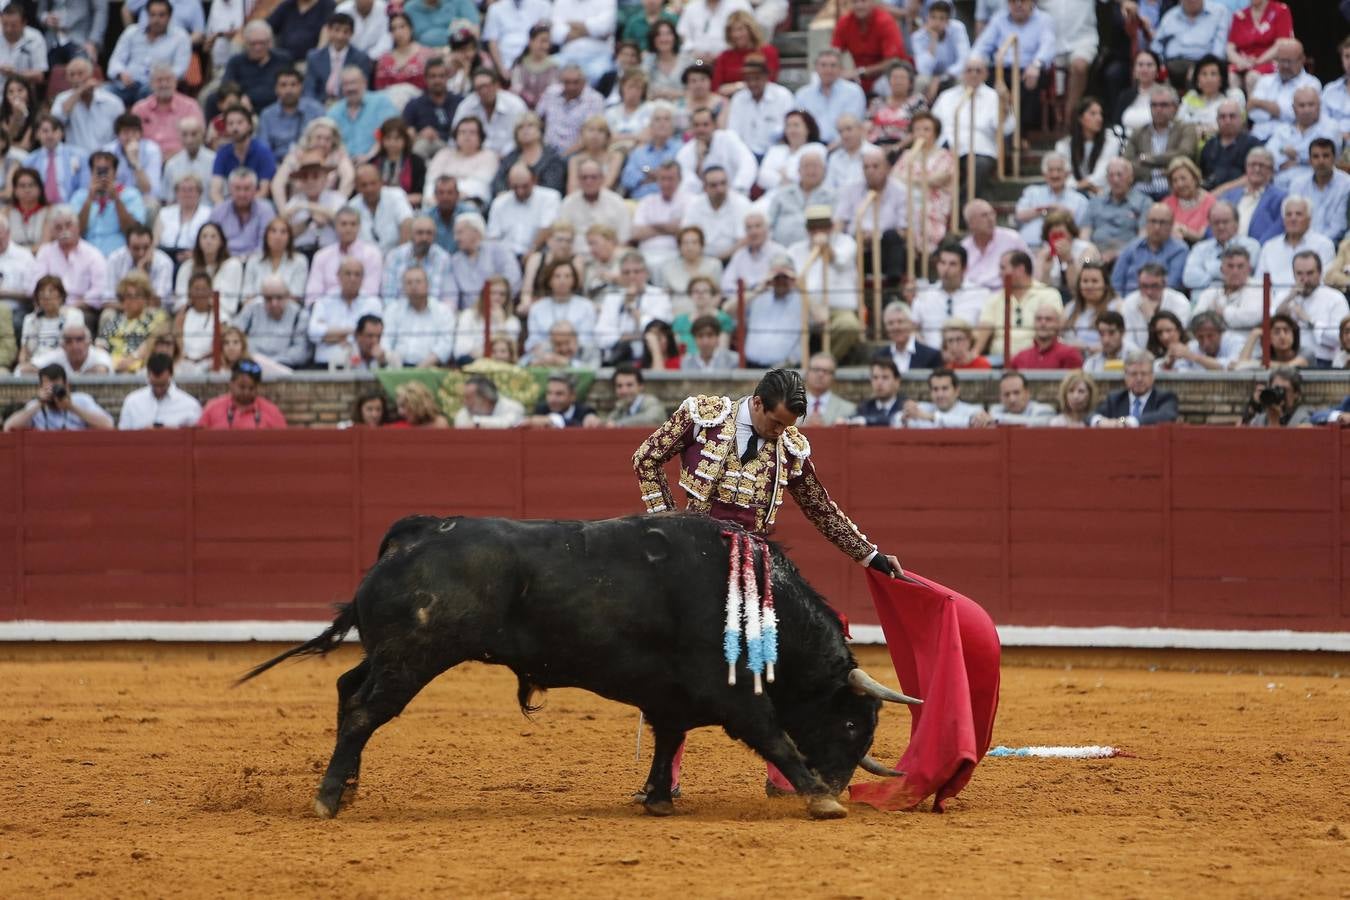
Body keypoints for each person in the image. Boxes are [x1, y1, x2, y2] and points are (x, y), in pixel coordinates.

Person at [788, 205, 863, 362]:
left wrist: (825, 247)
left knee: (848, 326)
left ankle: (823, 365)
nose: (818, 231)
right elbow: (792, 281)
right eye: (813, 227)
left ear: (831, 226)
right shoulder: (795, 250)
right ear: (807, 229)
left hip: (838, 309)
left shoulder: (846, 242)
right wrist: (812, 307)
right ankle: (792, 364)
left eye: (823, 226)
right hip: (804, 308)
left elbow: (839, 261)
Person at [930, 58, 1011, 203]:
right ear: (962, 74)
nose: (973, 74)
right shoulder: (947, 96)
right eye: (969, 70)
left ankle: (960, 212)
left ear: (986, 74)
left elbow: (1005, 128)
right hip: (947, 146)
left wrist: (1004, 104)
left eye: (978, 71)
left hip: (979, 148)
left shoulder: (993, 97)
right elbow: (933, 123)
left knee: (978, 167)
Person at [970, 0, 1056, 131]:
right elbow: (982, 45)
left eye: (1022, 1)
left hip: (1030, 69)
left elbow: (1048, 46)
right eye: (1013, 1)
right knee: (984, 81)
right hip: (1002, 69)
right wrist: (975, 60)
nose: (1018, 5)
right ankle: (988, 129)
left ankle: (1020, 134)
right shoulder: (999, 18)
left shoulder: (1044, 19)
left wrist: (1036, 64)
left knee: (1028, 84)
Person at [832, 148, 907, 286]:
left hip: (885, 249)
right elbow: (839, 221)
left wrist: (876, 236)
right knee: (843, 244)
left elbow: (905, 230)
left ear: (888, 168)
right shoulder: (851, 189)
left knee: (893, 238)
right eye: (866, 167)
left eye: (875, 166)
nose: (870, 171)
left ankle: (892, 287)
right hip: (858, 248)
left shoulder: (900, 192)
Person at [974, 251, 1063, 358]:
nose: (999, 273)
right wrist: (974, 354)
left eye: (1003, 268)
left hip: (1038, 357)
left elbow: (1053, 329)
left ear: (1020, 269)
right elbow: (985, 328)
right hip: (999, 360)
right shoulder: (994, 299)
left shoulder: (1048, 294)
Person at [105, 0, 190, 106]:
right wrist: (121, 73)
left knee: (146, 92)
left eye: (161, 15)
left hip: (156, 86)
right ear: (147, 15)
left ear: (170, 16)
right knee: (103, 92)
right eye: (152, 14)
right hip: (126, 84)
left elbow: (180, 69)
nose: (156, 19)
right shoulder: (132, 32)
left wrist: (160, 79)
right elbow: (115, 60)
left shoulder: (180, 37)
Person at [596, 251, 673, 366]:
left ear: (646, 274)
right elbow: (600, 335)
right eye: (626, 273)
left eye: (637, 272)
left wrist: (631, 308)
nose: (631, 276)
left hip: (649, 357)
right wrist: (626, 338)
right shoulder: (612, 297)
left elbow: (656, 330)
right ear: (621, 275)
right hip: (618, 357)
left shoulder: (659, 295)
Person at [33, 205, 108, 322]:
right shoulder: (45, 252)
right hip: (49, 306)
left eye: (68, 225)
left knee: (75, 319)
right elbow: (36, 284)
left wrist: (75, 306)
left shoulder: (93, 254)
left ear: (77, 227)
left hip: (82, 308)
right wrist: (51, 304)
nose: (64, 231)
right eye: (58, 227)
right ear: (52, 232)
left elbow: (99, 290)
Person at [1275, 251, 1350, 367]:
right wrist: (1290, 297)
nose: (1304, 279)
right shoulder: (1284, 296)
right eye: (1299, 274)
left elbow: (1341, 339)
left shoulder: (1335, 298)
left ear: (1320, 273)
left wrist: (1310, 321)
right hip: (1286, 361)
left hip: (1322, 362)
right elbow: (1269, 328)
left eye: (1310, 273)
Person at [1123, 85, 1197, 201]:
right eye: (1154, 105)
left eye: (1164, 105)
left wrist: (1148, 159)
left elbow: (1185, 153)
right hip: (1142, 189)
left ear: (1176, 108)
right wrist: (1164, 162)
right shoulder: (1139, 132)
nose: (1158, 109)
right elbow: (1127, 163)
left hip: (1173, 189)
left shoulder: (1186, 129)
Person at [308, 257, 382, 366]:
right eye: (348, 273)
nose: (352, 278)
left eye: (357, 274)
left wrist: (329, 336)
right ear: (338, 276)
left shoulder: (372, 303)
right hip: (325, 363)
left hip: (359, 365)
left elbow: (376, 336)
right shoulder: (324, 300)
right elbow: (313, 333)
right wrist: (354, 332)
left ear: (363, 278)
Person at [2, 362, 113, 431]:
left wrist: (71, 407)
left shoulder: (81, 400)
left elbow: (108, 425)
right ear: (40, 388)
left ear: (66, 385)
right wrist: (39, 403)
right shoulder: (36, 406)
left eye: (56, 387)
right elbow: (9, 427)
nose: (53, 392)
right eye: (48, 388)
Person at [1246, 38, 1319, 142]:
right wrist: (1277, 110)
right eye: (1281, 60)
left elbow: (1293, 115)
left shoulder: (1311, 84)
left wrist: (1258, 103)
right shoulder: (1265, 80)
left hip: (1288, 141)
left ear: (1302, 60)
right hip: (1257, 137)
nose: (1285, 66)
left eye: (1289, 61)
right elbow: (1253, 113)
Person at [305, 206, 382, 302]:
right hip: (327, 310)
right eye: (344, 224)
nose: (348, 229)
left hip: (362, 309)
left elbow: (371, 292)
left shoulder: (372, 254)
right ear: (336, 226)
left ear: (359, 227)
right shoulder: (321, 256)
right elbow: (312, 295)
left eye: (353, 224)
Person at [674, 106, 756, 196]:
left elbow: (748, 163)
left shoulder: (728, 139)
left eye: (705, 125)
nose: (701, 129)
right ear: (691, 127)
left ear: (714, 125)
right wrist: (699, 161)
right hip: (702, 201)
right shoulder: (685, 152)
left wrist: (738, 189)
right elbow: (687, 184)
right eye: (696, 125)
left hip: (733, 194)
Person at [233, 276, 312, 369]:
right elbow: (234, 335)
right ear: (262, 296)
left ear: (288, 295)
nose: (274, 303)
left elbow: (300, 353)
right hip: (251, 365)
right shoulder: (251, 309)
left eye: (279, 298)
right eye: (268, 298)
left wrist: (269, 363)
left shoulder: (300, 315)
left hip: (286, 368)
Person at [831, 0, 907, 96]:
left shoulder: (885, 21)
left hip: (889, 75)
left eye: (864, 1)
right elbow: (833, 54)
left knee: (882, 85)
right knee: (825, 78)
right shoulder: (845, 21)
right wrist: (840, 71)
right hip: (859, 78)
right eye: (855, 2)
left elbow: (893, 61)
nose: (859, 5)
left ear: (873, 2)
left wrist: (860, 72)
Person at [1256, 197, 1334, 289]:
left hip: (1310, 299)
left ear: (1309, 219)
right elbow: (1259, 282)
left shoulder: (1323, 245)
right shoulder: (1269, 247)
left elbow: (1324, 282)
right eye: (1288, 214)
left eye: (1298, 214)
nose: (1293, 218)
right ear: (1283, 219)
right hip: (1275, 301)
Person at [51, 56, 124, 154]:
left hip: (107, 156)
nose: (76, 78)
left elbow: (121, 132)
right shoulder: (62, 99)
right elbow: (55, 123)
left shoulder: (112, 102)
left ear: (91, 75)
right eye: (72, 75)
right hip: (76, 158)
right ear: (67, 79)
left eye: (80, 73)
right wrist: (79, 92)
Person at [129, 65, 203, 160]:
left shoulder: (190, 106)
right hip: (147, 161)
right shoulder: (139, 109)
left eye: (168, 80)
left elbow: (198, 138)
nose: (164, 84)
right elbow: (132, 139)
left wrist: (174, 158)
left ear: (175, 82)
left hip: (182, 160)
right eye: (159, 80)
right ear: (151, 84)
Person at [794, 49, 865, 148]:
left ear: (840, 68)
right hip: (810, 147)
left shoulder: (854, 92)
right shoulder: (803, 94)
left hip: (844, 146)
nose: (828, 70)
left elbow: (853, 126)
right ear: (816, 68)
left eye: (833, 65)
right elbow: (797, 124)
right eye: (823, 65)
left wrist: (832, 148)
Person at [741, 255, 803, 367]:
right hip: (751, 365)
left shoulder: (802, 299)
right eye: (777, 277)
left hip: (784, 369)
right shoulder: (758, 296)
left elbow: (822, 318)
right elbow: (727, 310)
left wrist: (800, 286)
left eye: (784, 277)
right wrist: (758, 290)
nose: (780, 281)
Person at [1111, 203, 1188, 293]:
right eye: (1153, 221)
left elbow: (1172, 284)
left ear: (1171, 225)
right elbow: (1116, 283)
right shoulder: (1131, 248)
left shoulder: (1179, 250)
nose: (1157, 227)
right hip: (1127, 302)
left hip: (1162, 302)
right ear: (1146, 223)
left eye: (1162, 222)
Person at [1090, 350, 1179, 426]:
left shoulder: (1166, 397)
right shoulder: (1115, 399)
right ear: (1125, 377)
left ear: (1152, 376)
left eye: (1144, 374)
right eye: (1133, 374)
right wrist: (1100, 421)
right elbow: (1090, 415)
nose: (1139, 379)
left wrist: (1129, 421)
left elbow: (1167, 415)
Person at [680, 166, 750, 263]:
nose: (720, 189)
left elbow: (744, 240)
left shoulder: (741, 203)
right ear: (705, 188)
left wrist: (716, 261)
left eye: (723, 183)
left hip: (733, 259)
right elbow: (686, 234)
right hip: (700, 259)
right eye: (714, 185)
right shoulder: (694, 205)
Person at [1054, 97, 1120, 197]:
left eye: (1100, 114)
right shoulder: (1063, 145)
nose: (1099, 118)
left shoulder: (1111, 141)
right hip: (1072, 193)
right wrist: (1078, 186)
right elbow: (1065, 175)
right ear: (1080, 118)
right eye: (1093, 114)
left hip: (1101, 193)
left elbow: (1102, 173)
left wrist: (1085, 185)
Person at [117, 352, 202, 429]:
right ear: (148, 375)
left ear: (171, 374)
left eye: (162, 385)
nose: (159, 389)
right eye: (155, 385)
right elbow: (123, 436)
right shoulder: (132, 402)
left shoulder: (190, 405)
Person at [1219, 146, 1286, 243]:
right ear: (1246, 168)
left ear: (1271, 171)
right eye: (1252, 165)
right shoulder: (1229, 196)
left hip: (1258, 250)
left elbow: (1278, 229)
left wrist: (1255, 248)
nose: (1257, 169)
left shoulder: (1280, 198)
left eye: (1262, 165)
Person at [211, 106, 277, 204]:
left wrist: (243, 208)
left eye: (240, 122)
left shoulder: (263, 152)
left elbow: (264, 191)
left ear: (250, 125)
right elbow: (215, 192)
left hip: (258, 205)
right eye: (230, 124)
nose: (235, 127)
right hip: (230, 204)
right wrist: (225, 209)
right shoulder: (222, 153)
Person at [197, 358, 288, 429]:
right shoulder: (213, 407)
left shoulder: (272, 412)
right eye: (242, 387)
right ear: (231, 384)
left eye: (252, 388)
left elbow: (284, 444)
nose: (246, 392)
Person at [1226, 0, 1293, 95]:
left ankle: (1254, 109)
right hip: (1244, 63)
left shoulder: (1280, 10)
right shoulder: (1239, 15)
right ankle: (1236, 108)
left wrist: (1258, 61)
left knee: (1252, 77)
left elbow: (1281, 44)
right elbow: (1230, 48)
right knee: (1230, 76)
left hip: (1270, 61)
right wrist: (1241, 62)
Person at [16, 276, 82, 372]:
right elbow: (24, 350)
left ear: (61, 296)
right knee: (21, 371)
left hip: (64, 362)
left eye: (51, 291)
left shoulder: (74, 315)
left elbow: (74, 347)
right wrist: (22, 365)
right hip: (35, 363)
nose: (46, 296)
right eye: (42, 292)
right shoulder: (30, 319)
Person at [960, 197, 1028, 289]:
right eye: (984, 215)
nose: (990, 219)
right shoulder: (963, 247)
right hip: (971, 296)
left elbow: (1030, 270)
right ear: (970, 223)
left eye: (992, 214)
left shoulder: (1012, 239)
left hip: (1005, 294)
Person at [1192, 245, 1263, 330]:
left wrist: (1222, 313)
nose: (1235, 271)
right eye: (1230, 266)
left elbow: (1252, 317)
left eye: (1240, 266)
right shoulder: (1211, 290)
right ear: (1222, 269)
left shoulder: (1259, 287)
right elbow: (1196, 318)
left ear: (1249, 269)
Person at [1199, 99, 1260, 194]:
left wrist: (1221, 191)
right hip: (1209, 194)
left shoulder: (1253, 144)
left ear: (1241, 119)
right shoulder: (1209, 145)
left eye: (1232, 116)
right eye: (1222, 117)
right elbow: (1202, 175)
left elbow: (1255, 176)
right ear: (1217, 120)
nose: (1227, 121)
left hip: (1242, 194)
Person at [105, 223, 173, 304]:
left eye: (146, 247)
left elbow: (157, 301)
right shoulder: (114, 259)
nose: (141, 253)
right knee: (108, 314)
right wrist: (130, 309)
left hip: (152, 311)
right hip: (120, 308)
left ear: (152, 245)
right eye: (136, 248)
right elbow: (108, 300)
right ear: (127, 247)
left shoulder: (164, 263)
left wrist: (142, 274)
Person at [898, 367, 981, 428]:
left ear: (957, 391)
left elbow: (967, 422)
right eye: (935, 389)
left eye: (945, 389)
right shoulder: (920, 408)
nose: (940, 395)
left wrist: (929, 417)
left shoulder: (974, 411)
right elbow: (896, 420)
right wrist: (905, 416)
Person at [1009, 303, 1085, 370]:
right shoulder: (1020, 357)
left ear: (1058, 324)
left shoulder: (1070, 354)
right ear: (1034, 323)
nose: (1043, 323)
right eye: (1039, 319)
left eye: (1048, 319)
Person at [972, 370, 1056, 426]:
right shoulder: (995, 410)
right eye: (1006, 394)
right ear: (1000, 397)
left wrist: (996, 420)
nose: (1012, 399)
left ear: (1027, 393)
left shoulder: (1045, 410)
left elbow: (1033, 423)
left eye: (1016, 393)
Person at [1162, 157, 1215, 245]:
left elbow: (1203, 235)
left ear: (1194, 178)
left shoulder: (1210, 202)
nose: (1179, 184)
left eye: (1183, 178)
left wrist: (1183, 230)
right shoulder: (1167, 203)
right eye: (1175, 180)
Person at [880, 300, 944, 372]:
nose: (896, 327)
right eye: (890, 323)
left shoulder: (931, 355)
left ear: (911, 324)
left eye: (900, 322)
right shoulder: (879, 357)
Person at [596, 364, 667, 427]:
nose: (624, 390)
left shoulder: (651, 403)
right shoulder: (621, 408)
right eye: (619, 386)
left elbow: (653, 418)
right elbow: (608, 423)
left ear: (640, 386)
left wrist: (619, 424)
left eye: (629, 385)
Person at [1241, 366, 1312, 427]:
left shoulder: (1303, 420)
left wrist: (1274, 421)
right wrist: (1252, 407)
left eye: (1284, 390)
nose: (1279, 394)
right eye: (1275, 389)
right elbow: (1239, 437)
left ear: (1296, 393)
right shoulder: (1262, 417)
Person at [799, 352, 855, 426]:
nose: (820, 374)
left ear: (833, 377)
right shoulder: (791, 405)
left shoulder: (848, 409)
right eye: (816, 369)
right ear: (807, 373)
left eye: (826, 371)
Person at [527, 372, 598, 428]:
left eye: (559, 394)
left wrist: (553, 420)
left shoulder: (585, 412)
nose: (552, 399)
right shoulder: (541, 409)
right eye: (549, 393)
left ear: (573, 396)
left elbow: (579, 425)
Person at [847, 357, 904, 426]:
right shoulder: (864, 408)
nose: (879, 383)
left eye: (885, 377)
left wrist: (864, 420)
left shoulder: (905, 407)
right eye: (875, 377)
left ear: (897, 381)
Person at [455, 375, 526, 428]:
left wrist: (477, 423)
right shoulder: (464, 412)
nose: (465, 402)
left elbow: (511, 424)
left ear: (486, 399)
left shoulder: (513, 407)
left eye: (468, 398)